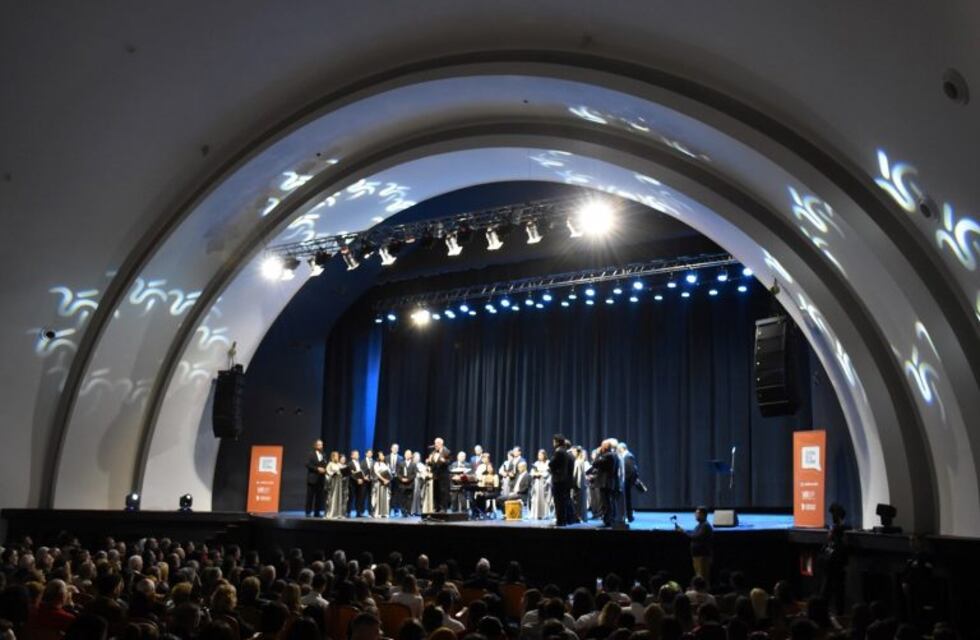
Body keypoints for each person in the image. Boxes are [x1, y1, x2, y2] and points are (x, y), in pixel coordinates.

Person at [675, 506, 713, 582]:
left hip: (702, 556)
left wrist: (683, 531)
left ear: (703, 514)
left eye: (697, 513)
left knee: (702, 578)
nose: (695, 515)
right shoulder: (699, 525)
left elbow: (696, 537)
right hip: (697, 556)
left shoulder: (705, 526)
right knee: (699, 576)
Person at [590, 439, 622, 527]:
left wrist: (598, 454)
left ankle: (608, 520)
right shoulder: (615, 455)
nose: (600, 448)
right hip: (611, 482)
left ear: (604, 448)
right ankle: (611, 518)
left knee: (606, 502)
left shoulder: (607, 456)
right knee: (610, 502)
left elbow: (595, 463)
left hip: (605, 483)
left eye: (601, 446)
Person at [549, 435, 576, 526]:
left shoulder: (559, 452)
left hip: (559, 480)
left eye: (554, 441)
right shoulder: (565, 452)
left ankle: (560, 521)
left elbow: (551, 463)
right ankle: (564, 520)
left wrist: (552, 468)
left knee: (559, 502)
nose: (553, 443)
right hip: (564, 480)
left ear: (557, 442)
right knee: (563, 501)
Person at [428, 437, 452, 512]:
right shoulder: (433, 452)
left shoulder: (447, 451)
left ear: (441, 443)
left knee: (443, 492)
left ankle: (443, 508)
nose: (435, 445)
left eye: (437, 443)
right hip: (435, 475)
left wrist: (444, 461)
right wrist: (428, 461)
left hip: (443, 476)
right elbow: (432, 463)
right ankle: (436, 507)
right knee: (436, 492)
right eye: (435, 443)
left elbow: (449, 462)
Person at [305, 439, 328, 517]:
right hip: (312, 478)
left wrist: (325, 469)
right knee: (310, 496)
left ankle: (317, 512)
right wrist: (317, 469)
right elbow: (307, 464)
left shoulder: (323, 454)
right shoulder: (311, 454)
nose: (321, 446)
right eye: (319, 445)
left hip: (321, 479)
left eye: (321, 445)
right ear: (315, 445)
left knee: (319, 497)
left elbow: (325, 464)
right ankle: (308, 512)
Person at [617, 442, 639, 523]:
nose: (618, 451)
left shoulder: (628, 456)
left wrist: (626, 481)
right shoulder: (626, 456)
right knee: (626, 499)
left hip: (627, 482)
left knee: (628, 500)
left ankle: (630, 516)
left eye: (618, 449)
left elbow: (631, 471)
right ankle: (628, 516)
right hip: (625, 482)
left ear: (622, 448)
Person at [530, 449, 553, 519]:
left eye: (540, 455)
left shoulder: (548, 462)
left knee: (544, 499)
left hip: (544, 483)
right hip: (537, 483)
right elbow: (532, 472)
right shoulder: (536, 463)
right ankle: (536, 514)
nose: (539, 456)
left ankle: (544, 515)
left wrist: (540, 473)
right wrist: (535, 474)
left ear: (544, 455)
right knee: (536, 498)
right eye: (538, 455)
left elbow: (548, 473)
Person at [325, 451, 346, 519]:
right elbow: (327, 473)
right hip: (333, 483)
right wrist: (333, 473)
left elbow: (342, 472)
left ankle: (338, 514)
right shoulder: (330, 464)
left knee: (339, 498)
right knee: (333, 498)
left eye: (338, 456)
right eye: (336, 456)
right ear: (333, 457)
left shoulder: (339, 464)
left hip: (339, 483)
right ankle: (331, 513)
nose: (337, 457)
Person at [572, 447, 590, 522]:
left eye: (574, 452)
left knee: (578, 503)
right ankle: (581, 517)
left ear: (577, 452)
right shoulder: (580, 461)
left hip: (578, 485)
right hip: (581, 485)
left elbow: (577, 475)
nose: (573, 453)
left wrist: (575, 484)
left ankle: (579, 517)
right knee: (581, 502)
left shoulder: (578, 462)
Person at [348, 450, 369, 517]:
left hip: (360, 483)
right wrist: (357, 479)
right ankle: (348, 512)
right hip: (353, 483)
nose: (358, 456)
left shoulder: (360, 463)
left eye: (358, 454)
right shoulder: (350, 463)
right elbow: (351, 474)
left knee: (359, 498)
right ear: (352, 456)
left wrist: (363, 478)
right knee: (351, 498)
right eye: (356, 454)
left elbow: (360, 472)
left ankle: (358, 512)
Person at [372, 451, 392, 518]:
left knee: (386, 498)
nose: (382, 456)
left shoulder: (387, 464)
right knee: (379, 497)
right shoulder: (377, 464)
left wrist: (388, 480)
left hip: (386, 483)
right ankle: (378, 513)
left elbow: (390, 473)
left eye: (383, 455)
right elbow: (377, 473)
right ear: (378, 457)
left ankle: (385, 513)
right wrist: (383, 480)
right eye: (380, 455)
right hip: (379, 482)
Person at [397, 448, 416, 516]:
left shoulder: (413, 464)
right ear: (404, 455)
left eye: (409, 454)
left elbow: (414, 474)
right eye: (406, 454)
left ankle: (408, 511)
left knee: (409, 498)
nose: (407, 455)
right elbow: (398, 473)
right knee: (402, 498)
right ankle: (403, 510)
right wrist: (402, 479)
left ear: (411, 455)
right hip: (402, 484)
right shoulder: (401, 463)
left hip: (410, 484)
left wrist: (408, 479)